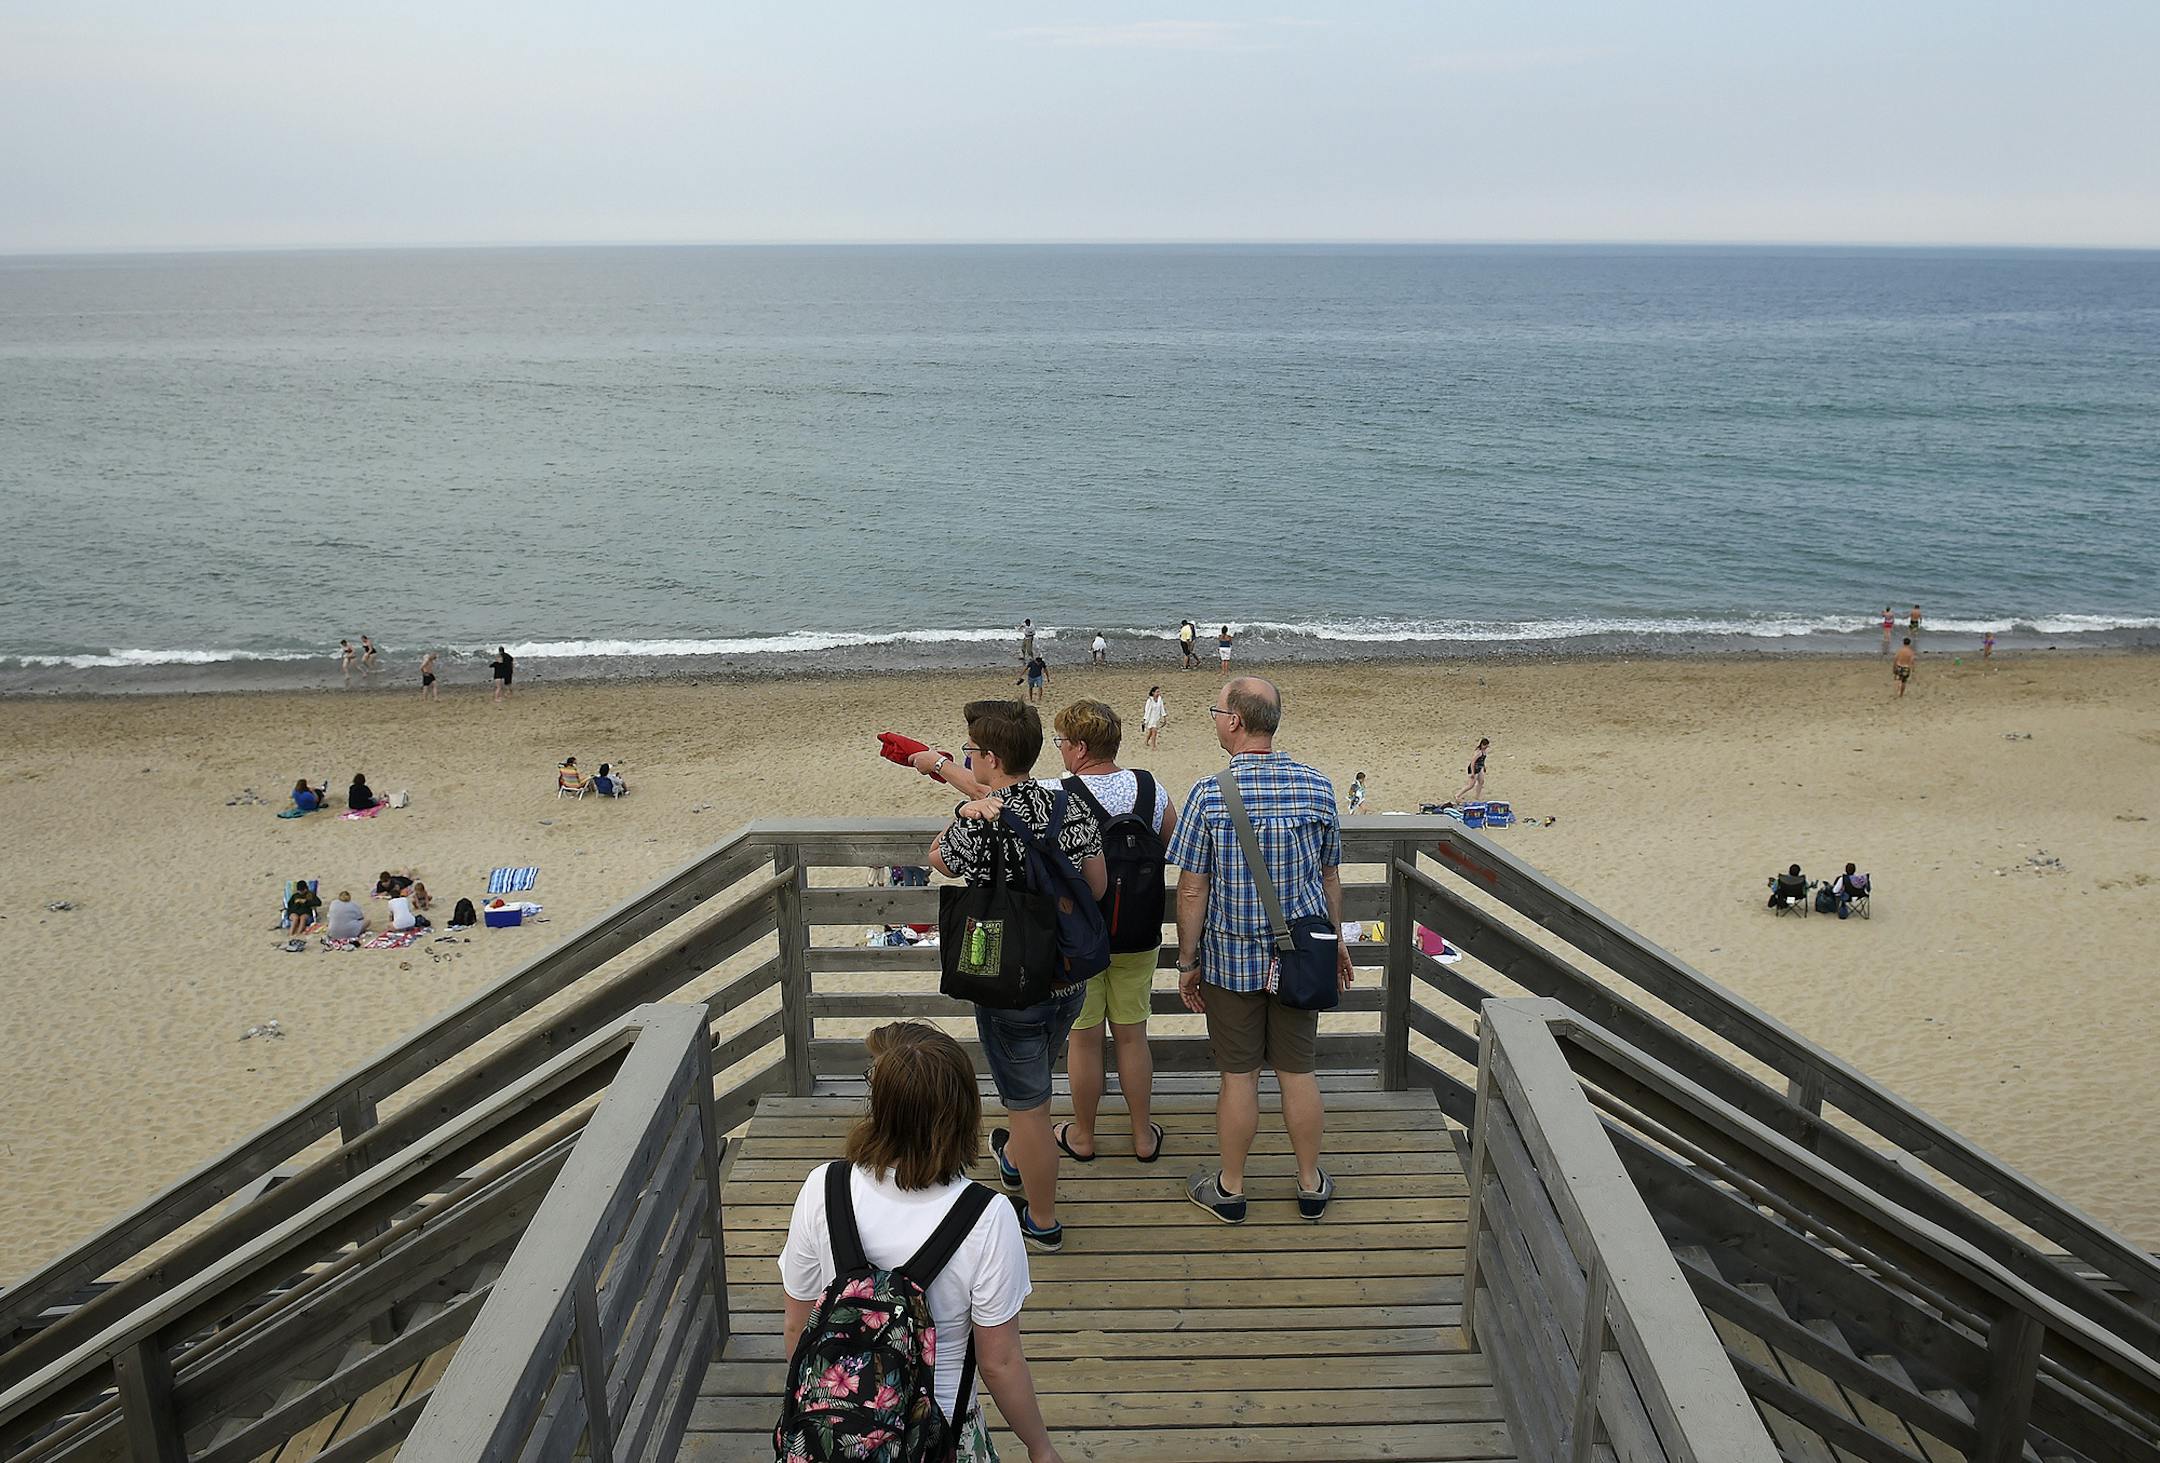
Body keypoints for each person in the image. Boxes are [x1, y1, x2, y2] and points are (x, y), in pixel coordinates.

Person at [779, 1023, 1064, 1463]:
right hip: (939, 1433)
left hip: (834, 1436)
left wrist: (830, 1416)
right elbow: (999, 1363)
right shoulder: (987, 1216)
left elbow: (799, 1327)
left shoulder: (823, 1188)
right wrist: (1040, 1447)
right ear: (963, 1112)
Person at [1167, 677, 1352, 1223]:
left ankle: (1231, 1189)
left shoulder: (1209, 793)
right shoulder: (1318, 787)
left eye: (1216, 711)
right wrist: (1336, 942)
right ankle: (1310, 1183)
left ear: (1236, 721)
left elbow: (1193, 889)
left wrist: (1187, 962)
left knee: (1239, 1077)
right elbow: (1329, 876)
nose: (1215, 718)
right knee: (1298, 1073)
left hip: (1231, 960)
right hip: (1303, 959)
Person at [928, 699, 1107, 1252]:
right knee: (1034, 1083)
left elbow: (938, 859)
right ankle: (1014, 1157)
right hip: (1066, 978)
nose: (968, 759)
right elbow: (1096, 885)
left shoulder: (980, 818)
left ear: (992, 759)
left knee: (1029, 1110)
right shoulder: (1069, 807)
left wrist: (964, 810)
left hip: (1006, 983)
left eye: (971, 752)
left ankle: (1043, 1221)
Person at [1047, 700, 1175, 1166]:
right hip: (1138, 934)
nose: (1061, 749)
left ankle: (1083, 1135)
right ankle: (1142, 1136)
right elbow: (1173, 846)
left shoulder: (1058, 792)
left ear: (1080, 748)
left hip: (1081, 938)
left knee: (1084, 1039)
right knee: (1132, 1036)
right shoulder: (1151, 787)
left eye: (1063, 742)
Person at [1455, 738, 1491, 803]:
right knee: (1471, 785)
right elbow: (1472, 762)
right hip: (1474, 768)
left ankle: (1477, 797)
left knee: (1481, 781)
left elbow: (1482, 760)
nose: (1486, 747)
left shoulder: (1484, 751)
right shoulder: (1478, 752)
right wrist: (1472, 773)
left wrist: (1484, 767)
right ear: (1482, 744)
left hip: (1480, 768)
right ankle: (1458, 795)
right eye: (1485, 745)